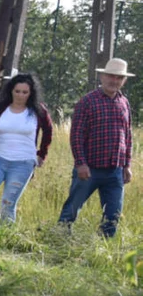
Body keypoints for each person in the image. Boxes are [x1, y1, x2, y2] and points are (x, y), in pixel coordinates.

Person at [57, 58, 134, 237]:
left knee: (113, 214)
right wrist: (81, 163)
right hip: (89, 169)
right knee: (72, 208)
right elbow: (76, 135)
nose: (114, 81)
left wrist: (127, 165)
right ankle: (58, 240)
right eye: (110, 76)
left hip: (116, 171)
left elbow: (127, 136)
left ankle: (102, 251)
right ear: (102, 76)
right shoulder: (87, 102)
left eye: (119, 78)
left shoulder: (125, 103)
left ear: (124, 80)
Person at [0, 73, 53, 223]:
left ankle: (5, 238)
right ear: (11, 91)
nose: (20, 95)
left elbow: (48, 132)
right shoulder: (0, 108)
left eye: (25, 92)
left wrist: (42, 154)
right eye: (17, 91)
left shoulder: (38, 111)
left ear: (31, 93)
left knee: (8, 204)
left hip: (23, 163)